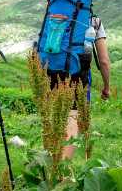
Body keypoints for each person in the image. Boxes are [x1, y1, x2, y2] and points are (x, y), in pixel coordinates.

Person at [48, 15, 111, 159]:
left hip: (50, 71)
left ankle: (52, 159)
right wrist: (107, 87)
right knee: (72, 121)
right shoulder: (94, 21)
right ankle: (61, 166)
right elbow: (104, 61)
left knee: (56, 119)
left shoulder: (54, 13)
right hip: (77, 75)